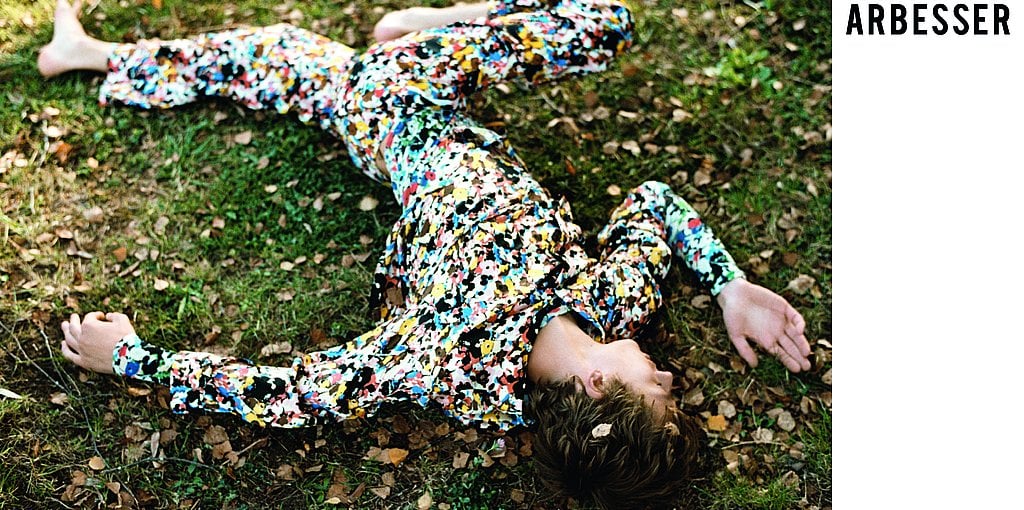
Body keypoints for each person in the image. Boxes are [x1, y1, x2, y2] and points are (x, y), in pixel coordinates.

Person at [42, 0, 811, 506]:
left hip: (396, 109)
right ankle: (89, 54)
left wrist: (134, 358)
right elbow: (654, 203)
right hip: (446, 114)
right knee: (283, 58)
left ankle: (429, 28)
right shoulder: (617, 304)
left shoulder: (445, 358)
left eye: (660, 392)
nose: (671, 376)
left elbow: (292, 394)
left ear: (598, 384)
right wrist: (730, 286)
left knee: (600, 20)